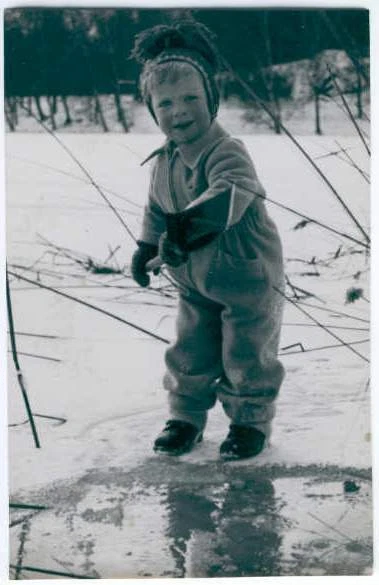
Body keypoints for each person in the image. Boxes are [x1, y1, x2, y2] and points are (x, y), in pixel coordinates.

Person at [130, 22, 285, 460]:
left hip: (245, 275)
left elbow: (229, 193)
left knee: (247, 351)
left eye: (191, 99)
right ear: (153, 109)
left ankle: (249, 422)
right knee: (190, 350)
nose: (179, 111)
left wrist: (185, 231)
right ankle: (185, 417)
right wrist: (147, 245)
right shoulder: (164, 160)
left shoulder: (226, 151)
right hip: (194, 280)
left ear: (211, 100)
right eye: (166, 103)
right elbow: (157, 208)